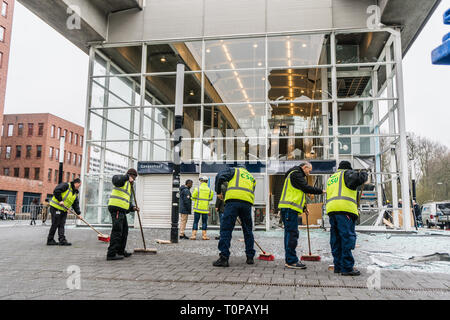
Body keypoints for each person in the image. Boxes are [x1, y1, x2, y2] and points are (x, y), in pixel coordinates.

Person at [278, 162, 324, 269]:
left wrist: (303, 207)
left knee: (289, 234)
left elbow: (296, 192)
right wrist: (321, 191)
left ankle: (289, 259)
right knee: (292, 234)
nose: (309, 172)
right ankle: (291, 261)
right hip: (290, 209)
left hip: (289, 208)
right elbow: (306, 188)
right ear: (304, 167)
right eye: (309, 170)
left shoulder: (293, 175)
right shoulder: (296, 174)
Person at [326, 161, 368, 276]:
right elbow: (359, 178)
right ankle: (347, 267)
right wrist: (364, 173)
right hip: (344, 209)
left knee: (336, 239)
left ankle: (338, 266)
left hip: (332, 210)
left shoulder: (331, 178)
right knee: (347, 237)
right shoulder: (346, 174)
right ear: (348, 168)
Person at [213, 166, 256, 267]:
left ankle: (224, 258)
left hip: (232, 202)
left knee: (226, 229)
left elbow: (219, 176)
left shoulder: (234, 170)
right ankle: (250, 257)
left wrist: (218, 192)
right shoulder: (251, 177)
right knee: (248, 230)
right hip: (247, 203)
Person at [106, 168, 139, 261]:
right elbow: (115, 180)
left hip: (121, 210)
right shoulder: (121, 180)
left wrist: (132, 208)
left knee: (124, 231)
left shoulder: (129, 185)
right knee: (117, 231)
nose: (134, 180)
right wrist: (127, 177)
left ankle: (120, 251)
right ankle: (111, 253)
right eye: (134, 177)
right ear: (130, 175)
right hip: (116, 208)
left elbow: (126, 201)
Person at [47, 178, 82, 246]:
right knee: (55, 224)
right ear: (76, 183)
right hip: (56, 207)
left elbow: (75, 204)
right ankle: (50, 240)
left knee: (62, 224)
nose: (79, 187)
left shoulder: (75, 193)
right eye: (79, 185)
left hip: (64, 210)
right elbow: (56, 190)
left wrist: (78, 214)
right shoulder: (66, 185)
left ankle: (62, 240)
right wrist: (60, 200)